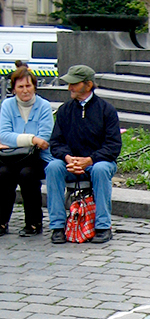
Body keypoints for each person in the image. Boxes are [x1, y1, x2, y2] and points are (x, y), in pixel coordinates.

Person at [45, 64, 122, 244]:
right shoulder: (64, 110)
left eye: (74, 84)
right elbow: (56, 142)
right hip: (71, 162)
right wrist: (68, 158)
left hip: (98, 162)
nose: (70, 88)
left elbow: (113, 146)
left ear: (88, 85)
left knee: (101, 170)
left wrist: (89, 160)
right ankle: (57, 226)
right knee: (53, 167)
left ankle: (103, 226)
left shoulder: (106, 110)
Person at [0, 65, 54, 237]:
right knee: (3, 173)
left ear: (34, 86)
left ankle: (34, 223)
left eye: (28, 86)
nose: (25, 90)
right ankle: (1, 222)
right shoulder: (7, 105)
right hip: (12, 158)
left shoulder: (44, 106)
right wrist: (32, 139)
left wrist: (21, 140)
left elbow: (44, 138)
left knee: (28, 174)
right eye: (20, 87)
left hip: (38, 158)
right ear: (14, 88)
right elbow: (3, 134)